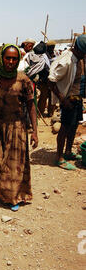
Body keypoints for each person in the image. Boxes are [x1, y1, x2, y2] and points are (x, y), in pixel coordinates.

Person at [0, 44, 38, 211]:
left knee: (13, 164)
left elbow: (31, 106)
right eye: (8, 58)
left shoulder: (23, 80)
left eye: (14, 59)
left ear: (18, 60)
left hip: (17, 127)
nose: (11, 61)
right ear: (2, 58)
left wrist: (35, 132)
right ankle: (3, 182)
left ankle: (12, 197)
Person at [48, 34, 86, 170]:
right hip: (68, 99)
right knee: (64, 128)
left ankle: (68, 152)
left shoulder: (77, 59)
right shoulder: (67, 61)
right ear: (78, 50)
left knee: (74, 125)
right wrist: (62, 99)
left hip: (77, 98)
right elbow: (51, 81)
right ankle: (59, 157)